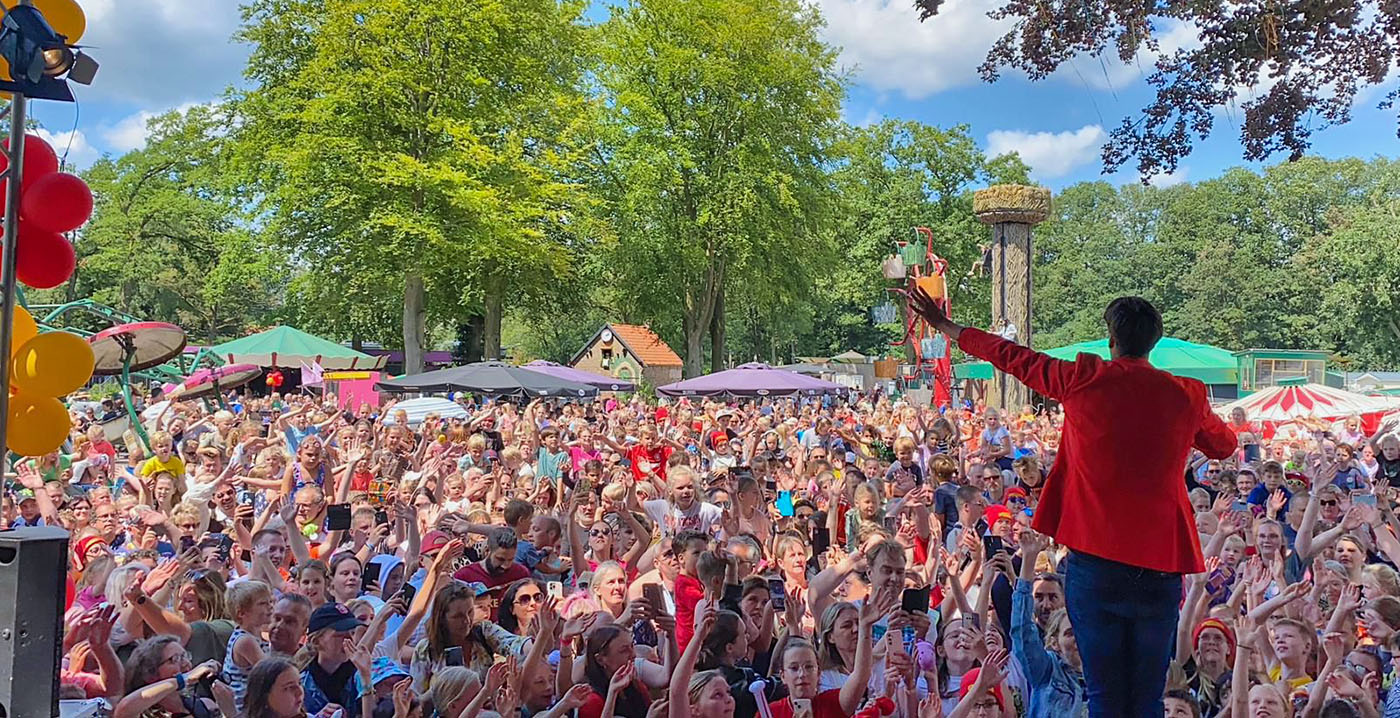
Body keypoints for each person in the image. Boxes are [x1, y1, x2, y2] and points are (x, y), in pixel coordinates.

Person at [910, 288, 1237, 718]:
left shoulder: (1084, 378)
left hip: (1095, 562)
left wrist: (948, 328)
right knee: (1145, 700)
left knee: (1102, 695)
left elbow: (1012, 356)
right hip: (1160, 563)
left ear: (1110, 339)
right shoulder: (1185, 394)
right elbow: (1225, 445)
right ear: (1154, 341)